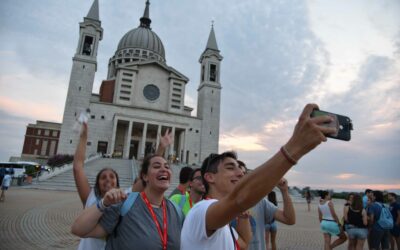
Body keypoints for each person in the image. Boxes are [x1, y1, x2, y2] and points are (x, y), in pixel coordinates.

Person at [180, 103, 337, 250]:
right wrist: (295, 147)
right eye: (230, 167)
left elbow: (244, 241)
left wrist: (241, 215)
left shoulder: (224, 225)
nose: (241, 173)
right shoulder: (200, 210)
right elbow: (239, 197)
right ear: (209, 177)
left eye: (240, 169)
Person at [71, 154, 183, 249]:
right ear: (144, 176)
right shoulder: (125, 204)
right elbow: (78, 230)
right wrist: (103, 203)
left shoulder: (176, 211)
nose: (164, 169)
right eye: (157, 166)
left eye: (167, 167)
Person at [73, 123, 121, 250]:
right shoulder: (90, 197)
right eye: (103, 177)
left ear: (117, 182)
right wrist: (84, 137)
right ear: (98, 183)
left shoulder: (124, 200)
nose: (108, 180)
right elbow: (78, 167)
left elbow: (145, 180)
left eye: (112, 176)